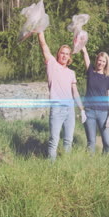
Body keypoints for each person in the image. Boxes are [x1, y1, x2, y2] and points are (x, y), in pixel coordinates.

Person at [37, 32, 86, 160]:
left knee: (68, 141)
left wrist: (82, 109)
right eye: (62, 53)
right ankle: (51, 168)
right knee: (54, 140)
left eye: (67, 54)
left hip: (70, 109)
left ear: (69, 57)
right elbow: (43, 45)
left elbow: (75, 92)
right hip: (57, 108)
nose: (64, 55)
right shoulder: (52, 65)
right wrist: (40, 31)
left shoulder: (71, 73)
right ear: (58, 54)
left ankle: (65, 166)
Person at [81, 46, 109, 154]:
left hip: (103, 113)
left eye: (103, 61)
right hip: (89, 111)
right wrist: (82, 44)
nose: (101, 63)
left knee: (107, 143)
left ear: (106, 63)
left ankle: (104, 163)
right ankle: (90, 167)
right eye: (99, 60)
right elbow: (85, 54)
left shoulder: (107, 78)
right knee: (91, 142)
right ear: (96, 60)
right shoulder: (91, 72)